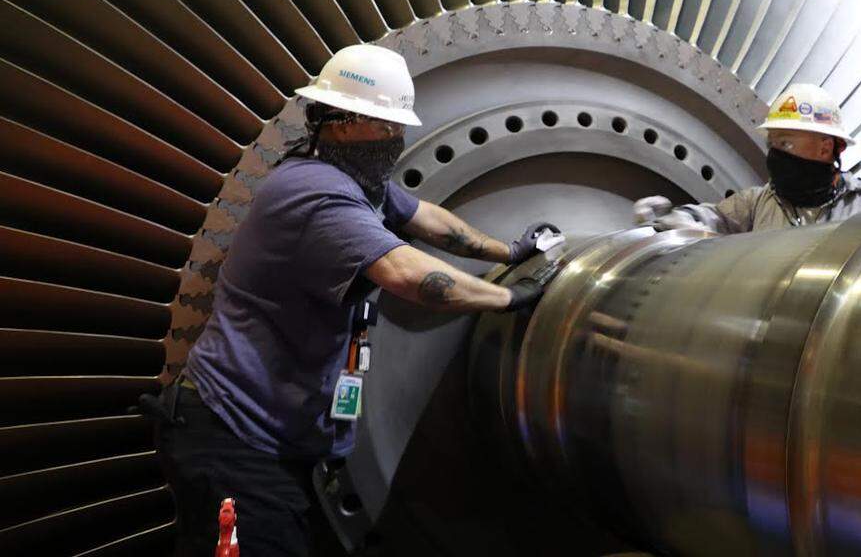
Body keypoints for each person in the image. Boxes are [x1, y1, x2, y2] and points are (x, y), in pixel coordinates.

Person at [153, 44, 559, 556]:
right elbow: (407, 275)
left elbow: (426, 218)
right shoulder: (315, 193)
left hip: (280, 439)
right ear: (342, 122)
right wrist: (507, 297)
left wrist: (511, 250)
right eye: (385, 126)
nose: (397, 138)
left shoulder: (354, 180)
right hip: (233, 439)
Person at [635, 83, 861, 233]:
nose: (776, 154)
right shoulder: (758, 203)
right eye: (772, 143)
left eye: (786, 142)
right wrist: (669, 220)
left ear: (825, 148)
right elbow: (713, 217)